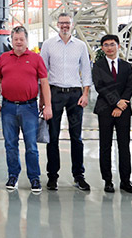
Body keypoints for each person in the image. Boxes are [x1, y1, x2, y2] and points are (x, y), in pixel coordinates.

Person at [0, 26, 52, 194]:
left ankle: (34, 178)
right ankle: (13, 175)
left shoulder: (36, 59)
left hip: (29, 108)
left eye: (21, 39)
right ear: (11, 40)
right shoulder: (3, 58)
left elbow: (44, 83)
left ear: (27, 40)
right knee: (10, 145)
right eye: (15, 39)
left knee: (31, 146)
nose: (18, 42)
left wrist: (47, 105)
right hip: (8, 108)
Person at [39, 13, 92, 192]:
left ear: (72, 24)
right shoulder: (48, 45)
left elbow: (86, 70)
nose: (64, 26)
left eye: (67, 23)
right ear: (57, 24)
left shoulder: (80, 46)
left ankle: (79, 176)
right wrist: (43, 100)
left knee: (76, 137)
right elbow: (43, 73)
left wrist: (85, 94)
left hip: (75, 95)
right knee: (52, 136)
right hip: (54, 94)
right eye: (61, 23)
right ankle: (52, 176)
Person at [92, 34, 132, 194]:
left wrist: (121, 104)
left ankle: (126, 181)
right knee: (105, 146)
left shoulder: (126, 66)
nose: (109, 48)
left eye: (112, 44)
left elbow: (130, 87)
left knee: (124, 146)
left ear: (118, 46)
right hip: (105, 110)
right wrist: (116, 102)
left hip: (123, 110)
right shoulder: (98, 66)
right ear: (102, 48)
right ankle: (108, 180)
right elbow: (100, 86)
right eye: (106, 45)